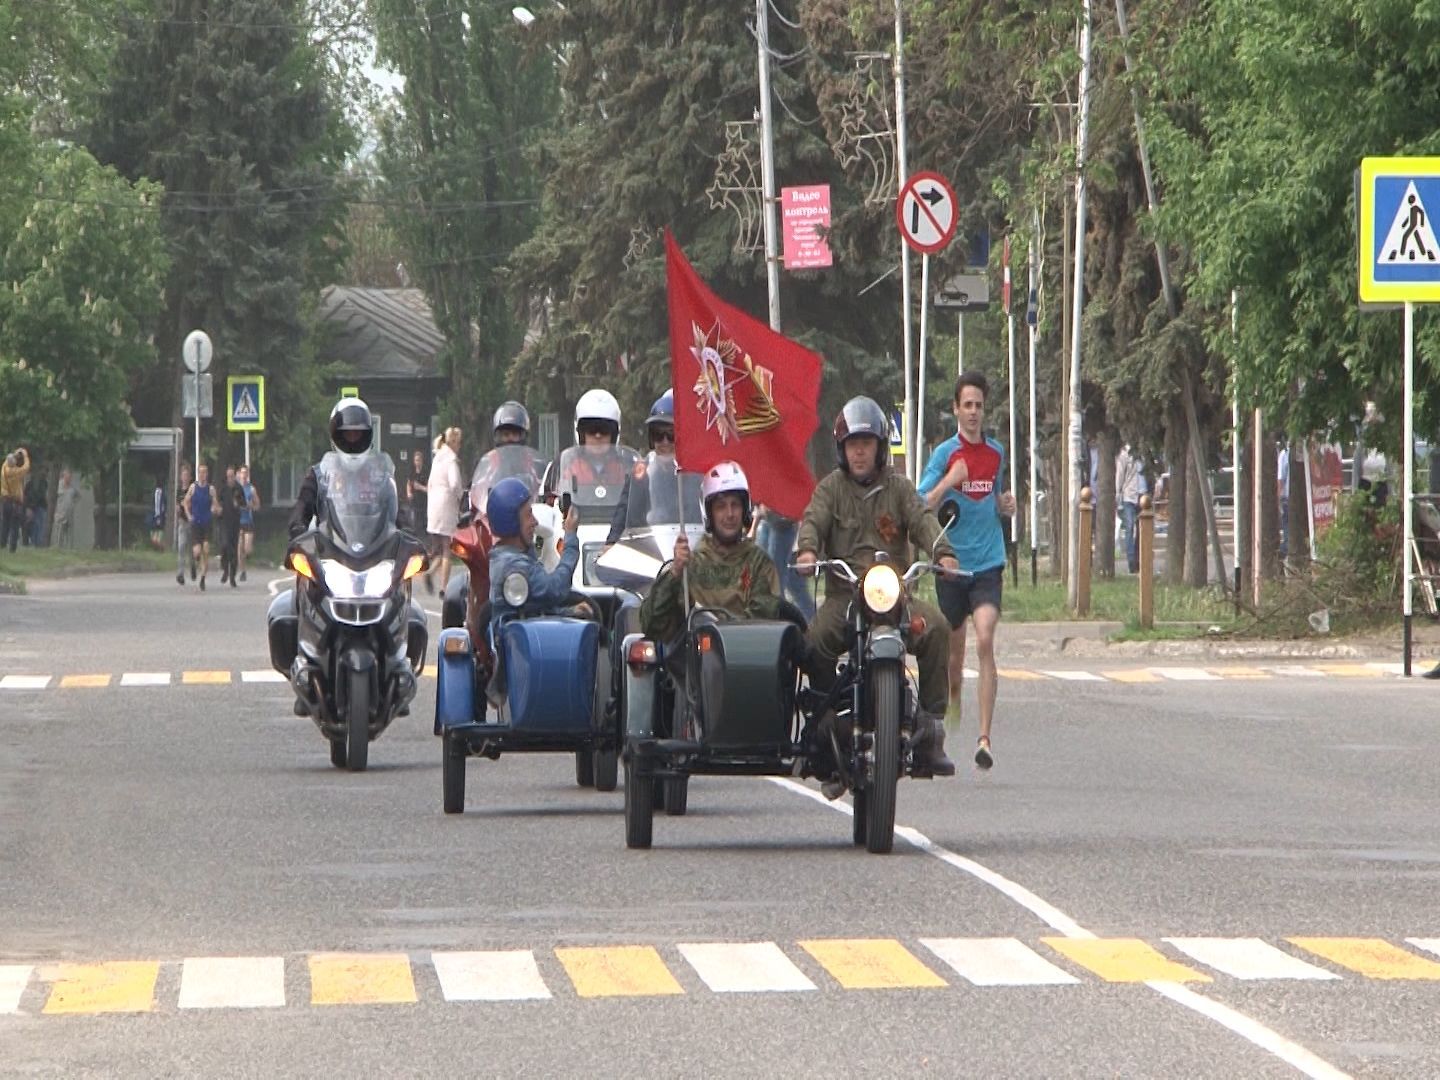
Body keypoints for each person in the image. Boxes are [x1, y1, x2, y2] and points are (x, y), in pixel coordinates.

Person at [795, 396, 960, 777]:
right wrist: (806, 551)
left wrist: (944, 553)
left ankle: (931, 729)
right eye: (853, 445)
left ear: (879, 448)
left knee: (935, 628)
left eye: (866, 445)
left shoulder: (899, 489)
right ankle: (823, 723)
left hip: (895, 596)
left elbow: (923, 521)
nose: (859, 453)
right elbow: (813, 522)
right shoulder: (831, 489)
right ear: (843, 449)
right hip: (847, 595)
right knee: (814, 638)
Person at [918, 373, 1017, 772]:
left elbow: (995, 498)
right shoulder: (944, 454)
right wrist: (949, 480)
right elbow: (920, 502)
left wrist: (1005, 505)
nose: (974, 412)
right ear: (956, 409)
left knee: (986, 639)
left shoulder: (996, 452)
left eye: (979, 405)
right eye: (967, 405)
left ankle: (984, 739)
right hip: (953, 565)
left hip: (989, 562)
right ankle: (954, 697)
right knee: (954, 658)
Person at [640, 461, 781, 645]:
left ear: (744, 509)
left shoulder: (759, 564)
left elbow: (763, 621)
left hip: (746, 661)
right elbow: (652, 625)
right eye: (721, 506)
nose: (729, 514)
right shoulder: (689, 566)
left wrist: (719, 632)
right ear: (709, 513)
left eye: (735, 505)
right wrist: (674, 573)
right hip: (695, 665)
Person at [487, 476, 583, 619]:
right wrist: (570, 536)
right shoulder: (514, 565)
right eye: (528, 515)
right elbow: (555, 589)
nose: (535, 521)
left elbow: (533, 611)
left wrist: (570, 612)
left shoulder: (506, 557)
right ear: (512, 522)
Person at [288, 397, 384, 538]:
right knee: (295, 558)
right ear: (336, 435)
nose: (352, 438)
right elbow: (303, 504)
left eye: (357, 433)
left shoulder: (378, 475)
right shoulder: (320, 474)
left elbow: (397, 507)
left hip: (375, 548)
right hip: (329, 548)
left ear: (366, 435)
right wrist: (298, 525)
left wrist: (406, 529)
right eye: (347, 433)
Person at [607, 390, 680, 543]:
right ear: (651, 439)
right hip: (649, 548)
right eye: (658, 435)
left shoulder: (690, 473)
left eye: (671, 435)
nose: (665, 442)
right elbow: (623, 511)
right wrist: (611, 542)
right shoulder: (640, 472)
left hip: (685, 545)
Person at [546, 388, 631, 494]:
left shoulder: (626, 467)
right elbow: (548, 502)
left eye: (605, 429)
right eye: (591, 429)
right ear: (581, 432)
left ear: (614, 433)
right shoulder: (563, 465)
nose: (598, 435)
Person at [753, 504, 816, 621]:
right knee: (793, 584)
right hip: (769, 521)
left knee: (775, 584)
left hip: (784, 525)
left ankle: (783, 625)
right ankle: (811, 622)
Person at [426, 426, 464, 594]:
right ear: (454, 443)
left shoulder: (437, 459)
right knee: (448, 548)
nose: (460, 446)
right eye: (459, 443)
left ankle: (430, 572)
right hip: (446, 505)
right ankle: (444, 588)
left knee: (438, 548)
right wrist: (460, 497)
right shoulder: (451, 460)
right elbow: (455, 483)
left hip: (433, 506)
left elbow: (430, 483)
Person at [183, 463, 219, 591]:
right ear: (198, 474)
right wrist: (188, 515)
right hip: (196, 522)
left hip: (207, 522)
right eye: (201, 472)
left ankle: (203, 577)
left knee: (206, 550)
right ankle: (194, 562)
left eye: (205, 472)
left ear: (207, 474)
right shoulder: (193, 487)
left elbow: (216, 505)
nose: (203, 475)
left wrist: (215, 509)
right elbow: (185, 503)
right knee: (197, 551)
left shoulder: (211, 489)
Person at [1115, 443, 1143, 574]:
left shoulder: (1144, 452)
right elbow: (1120, 476)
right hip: (1129, 495)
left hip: (1142, 495)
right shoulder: (1124, 454)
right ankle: (1132, 562)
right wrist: (1118, 494)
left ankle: (1140, 560)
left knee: (1143, 529)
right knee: (1130, 528)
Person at [218, 464, 243, 586]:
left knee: (233, 550)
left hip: (235, 523)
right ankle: (225, 569)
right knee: (224, 545)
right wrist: (218, 509)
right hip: (224, 522)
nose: (230, 479)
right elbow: (217, 502)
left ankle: (232, 576)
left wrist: (238, 503)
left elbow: (243, 502)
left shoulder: (239, 488)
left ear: (235, 477)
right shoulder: (223, 488)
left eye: (232, 476)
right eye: (228, 477)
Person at [2, 447, 30, 553]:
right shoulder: (16, 472)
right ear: (14, 464)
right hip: (15, 502)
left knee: (5, 524)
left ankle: (2, 544)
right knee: (14, 525)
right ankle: (12, 548)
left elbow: (7, 460)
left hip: (5, 500)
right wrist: (25, 455)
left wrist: (14, 454)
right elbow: (26, 467)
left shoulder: (4, 469)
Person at [237, 464, 260, 581]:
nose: (244, 475)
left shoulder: (251, 489)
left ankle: (248, 555)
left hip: (248, 520)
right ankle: (242, 571)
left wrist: (251, 506)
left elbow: (257, 505)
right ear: (239, 474)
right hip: (238, 521)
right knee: (239, 547)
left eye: (246, 473)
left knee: (247, 548)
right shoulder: (236, 488)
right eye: (242, 473)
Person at [54, 468, 81, 551]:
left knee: (69, 533)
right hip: (60, 513)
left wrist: (73, 503)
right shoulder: (58, 486)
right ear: (63, 476)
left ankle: (70, 549)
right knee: (60, 533)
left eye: (70, 477)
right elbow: (53, 498)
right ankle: (59, 549)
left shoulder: (73, 488)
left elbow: (78, 496)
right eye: (67, 477)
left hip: (69, 513)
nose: (68, 479)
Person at [23, 466, 47, 547]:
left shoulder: (44, 483)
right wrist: (29, 508)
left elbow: (41, 496)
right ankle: (34, 543)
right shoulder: (29, 484)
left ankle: (37, 544)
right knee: (35, 526)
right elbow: (26, 496)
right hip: (34, 508)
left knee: (39, 526)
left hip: (40, 507)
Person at [148, 476, 167, 551]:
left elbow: (158, 505)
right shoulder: (159, 492)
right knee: (154, 536)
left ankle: (161, 547)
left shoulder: (159, 492)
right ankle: (160, 547)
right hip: (157, 516)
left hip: (158, 516)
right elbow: (158, 505)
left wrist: (159, 516)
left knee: (157, 535)